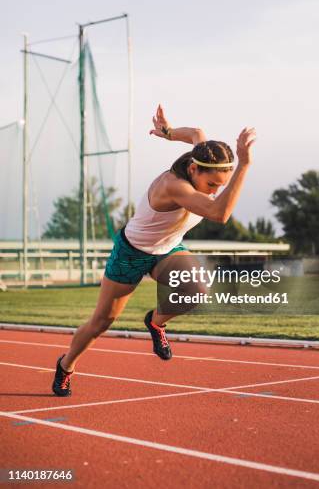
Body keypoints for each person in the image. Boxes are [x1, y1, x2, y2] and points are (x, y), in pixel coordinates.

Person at [52, 105, 256, 396]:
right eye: (211, 185)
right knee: (101, 321)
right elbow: (220, 213)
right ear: (193, 169)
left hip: (167, 248)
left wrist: (169, 133)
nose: (213, 191)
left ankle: (155, 322)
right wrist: (245, 165)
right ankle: (66, 364)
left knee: (196, 289)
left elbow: (197, 133)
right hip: (132, 251)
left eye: (218, 186)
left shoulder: (200, 157)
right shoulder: (174, 187)